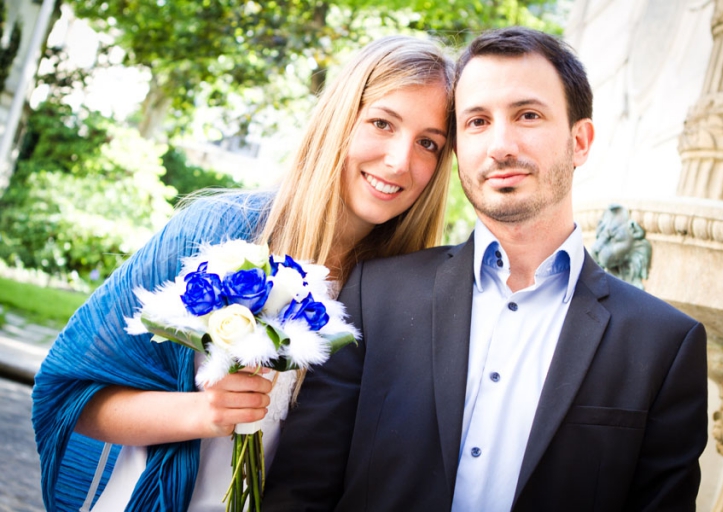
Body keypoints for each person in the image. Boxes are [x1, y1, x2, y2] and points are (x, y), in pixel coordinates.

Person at [263, 26, 708, 511]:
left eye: (528, 115)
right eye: (477, 121)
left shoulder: (665, 345)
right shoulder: (374, 293)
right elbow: (300, 492)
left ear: (580, 141)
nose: (500, 146)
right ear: (458, 150)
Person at [31, 35, 455, 511]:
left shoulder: (406, 298)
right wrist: (203, 412)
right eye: (381, 123)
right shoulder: (218, 232)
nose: (400, 161)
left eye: (428, 143)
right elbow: (71, 395)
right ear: (339, 120)